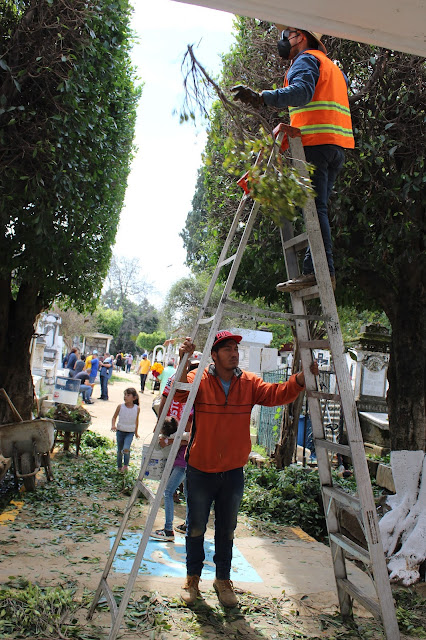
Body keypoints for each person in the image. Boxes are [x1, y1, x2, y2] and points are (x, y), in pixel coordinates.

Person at [176, 330, 318, 608]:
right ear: (214, 356)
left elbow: (276, 394)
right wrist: (183, 360)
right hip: (200, 469)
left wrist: (299, 379)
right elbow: (178, 395)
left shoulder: (249, 382)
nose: (234, 353)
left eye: (236, 349)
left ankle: (223, 580)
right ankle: (192, 578)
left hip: (232, 472)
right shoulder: (199, 379)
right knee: (195, 527)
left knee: (227, 530)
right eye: (227, 349)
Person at [231, 26, 354, 292]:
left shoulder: (306, 60)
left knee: (315, 208)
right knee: (318, 208)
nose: (283, 40)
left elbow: (302, 92)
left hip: (315, 145)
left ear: (301, 37)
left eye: (287, 34)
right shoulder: (333, 68)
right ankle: (319, 269)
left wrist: (262, 97)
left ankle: (320, 271)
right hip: (336, 147)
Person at [150, 416, 191, 541]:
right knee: (188, 494)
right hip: (189, 464)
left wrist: (167, 441)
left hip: (181, 464)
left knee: (168, 492)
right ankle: (188, 526)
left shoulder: (180, 435)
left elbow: (186, 438)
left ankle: (168, 529)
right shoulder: (178, 436)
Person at [111, 388, 140, 472]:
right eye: (125, 395)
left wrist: (136, 432)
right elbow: (114, 417)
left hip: (130, 432)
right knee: (119, 450)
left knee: (126, 448)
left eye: (128, 395)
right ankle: (119, 467)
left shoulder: (137, 408)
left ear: (134, 398)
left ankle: (126, 465)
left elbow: (136, 421)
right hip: (120, 431)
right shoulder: (120, 406)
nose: (125, 397)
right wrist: (113, 426)